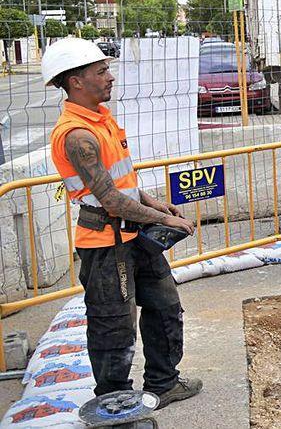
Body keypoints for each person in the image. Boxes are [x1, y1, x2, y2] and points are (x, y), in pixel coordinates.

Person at [43, 38, 203, 407]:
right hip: (105, 244)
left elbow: (122, 182)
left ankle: (163, 383)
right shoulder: (77, 135)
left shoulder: (101, 119)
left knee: (164, 306)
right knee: (114, 325)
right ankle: (113, 401)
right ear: (76, 81)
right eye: (101, 71)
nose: (110, 77)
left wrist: (154, 202)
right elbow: (109, 199)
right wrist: (165, 218)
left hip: (135, 234)